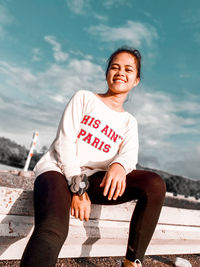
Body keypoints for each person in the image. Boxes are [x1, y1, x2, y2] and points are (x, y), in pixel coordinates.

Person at [20, 47, 166, 267]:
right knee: (53, 229)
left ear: (136, 80)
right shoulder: (84, 98)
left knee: (154, 184)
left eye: (128, 69)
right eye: (115, 67)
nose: (120, 72)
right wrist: (77, 188)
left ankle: (131, 262)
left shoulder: (129, 122)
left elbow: (128, 155)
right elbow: (64, 142)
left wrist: (119, 165)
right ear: (107, 72)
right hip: (58, 172)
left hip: (95, 181)